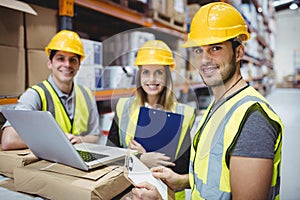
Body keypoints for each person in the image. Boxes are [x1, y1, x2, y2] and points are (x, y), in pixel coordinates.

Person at [127, 2, 284, 200]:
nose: (204, 60)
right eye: (198, 50)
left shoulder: (251, 120)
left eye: (215, 48)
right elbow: (216, 177)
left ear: (238, 53)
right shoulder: (218, 105)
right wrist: (182, 180)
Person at [107, 40, 196, 199]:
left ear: (167, 76)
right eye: (146, 72)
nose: (152, 79)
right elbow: (110, 156)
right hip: (129, 193)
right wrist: (141, 158)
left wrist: (147, 158)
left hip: (165, 195)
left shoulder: (183, 114)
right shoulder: (123, 108)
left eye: (159, 72)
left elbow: (182, 169)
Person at [1, 30, 101, 150]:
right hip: (48, 164)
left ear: (79, 65)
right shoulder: (35, 95)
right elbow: (8, 140)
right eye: (60, 58)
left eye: (73, 60)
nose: (67, 65)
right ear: (50, 63)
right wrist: (56, 139)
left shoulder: (87, 95)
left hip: (80, 162)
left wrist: (79, 140)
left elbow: (95, 137)